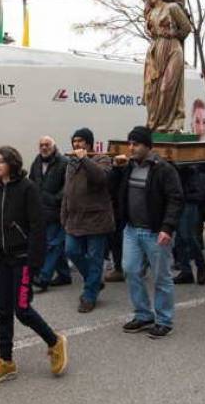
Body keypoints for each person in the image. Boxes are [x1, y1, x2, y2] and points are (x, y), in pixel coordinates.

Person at [0, 146, 68, 385]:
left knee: (22, 309)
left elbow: (38, 228)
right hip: (3, 261)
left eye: (0, 161)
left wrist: (35, 262)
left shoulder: (28, 189)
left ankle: (54, 341)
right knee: (2, 311)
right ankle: (6, 360)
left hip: (23, 261)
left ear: (12, 163)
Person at [114, 126, 183, 339]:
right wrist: (116, 170)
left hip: (155, 232)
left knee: (161, 277)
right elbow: (113, 191)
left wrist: (167, 228)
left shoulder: (163, 169)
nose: (131, 148)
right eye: (130, 143)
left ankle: (164, 320)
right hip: (132, 230)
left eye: (136, 144)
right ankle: (143, 315)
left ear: (147, 146)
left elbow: (175, 199)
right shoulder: (128, 167)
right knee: (131, 270)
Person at [61, 128, 115, 313]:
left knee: (95, 259)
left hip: (96, 220)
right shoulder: (70, 163)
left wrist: (84, 159)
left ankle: (89, 295)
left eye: (81, 141)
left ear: (89, 144)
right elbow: (67, 192)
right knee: (71, 251)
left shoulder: (102, 159)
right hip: (74, 219)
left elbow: (100, 178)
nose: (77, 144)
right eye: (74, 141)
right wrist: (64, 215)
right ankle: (95, 281)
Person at [142, 0, 193, 133]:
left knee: (167, 88)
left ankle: (172, 124)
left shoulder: (171, 8)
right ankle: (154, 124)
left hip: (172, 49)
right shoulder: (150, 10)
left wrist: (174, 33)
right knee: (151, 92)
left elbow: (187, 28)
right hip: (155, 51)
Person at [28, 136, 71, 291]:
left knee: (52, 245)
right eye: (41, 145)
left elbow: (68, 187)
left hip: (56, 211)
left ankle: (44, 277)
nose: (44, 148)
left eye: (47, 145)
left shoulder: (64, 163)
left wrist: (54, 199)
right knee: (54, 243)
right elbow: (31, 181)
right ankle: (65, 275)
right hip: (40, 210)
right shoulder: (37, 161)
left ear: (54, 146)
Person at [173, 164, 205, 286]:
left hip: (188, 202)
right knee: (178, 240)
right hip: (176, 202)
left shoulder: (189, 169)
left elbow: (197, 191)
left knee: (187, 236)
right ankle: (186, 271)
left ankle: (201, 266)